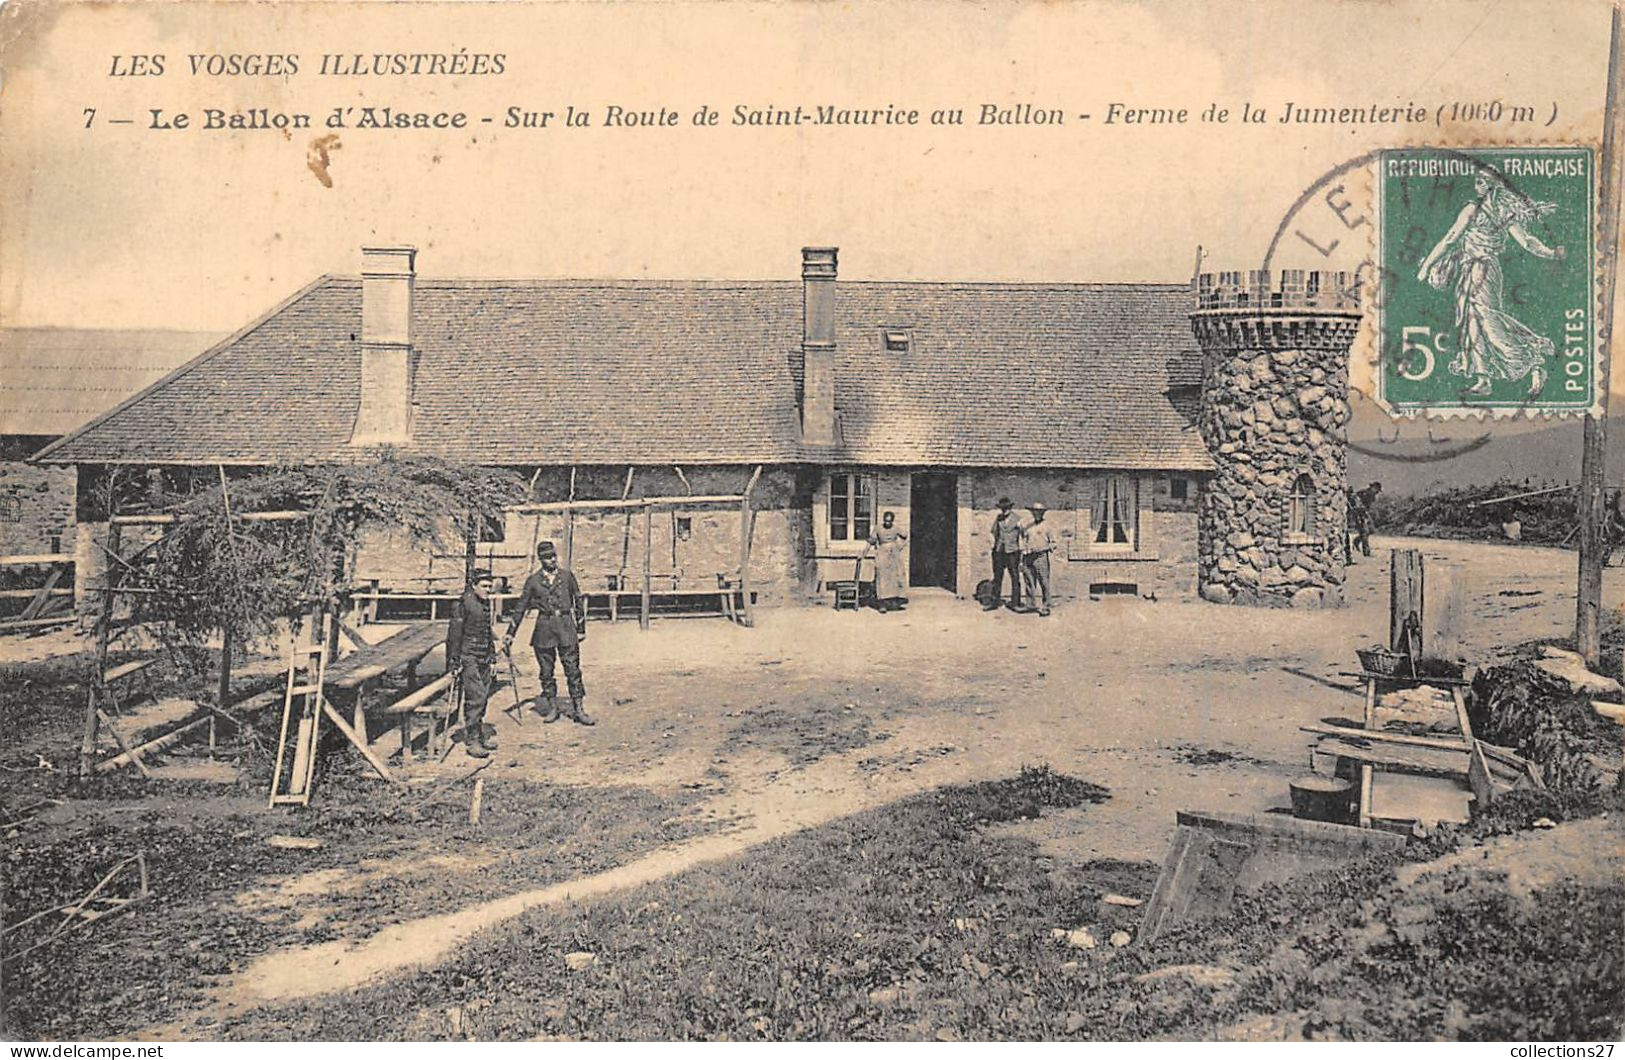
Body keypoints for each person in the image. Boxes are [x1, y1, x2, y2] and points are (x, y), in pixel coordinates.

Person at [1415, 169, 1566, 397]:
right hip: (1475, 269)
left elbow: (1450, 239)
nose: (1476, 186)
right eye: (1476, 181)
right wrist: (1551, 253)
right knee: (1473, 320)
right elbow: (1527, 242)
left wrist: (1427, 266)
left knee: (1487, 320)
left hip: (1482, 271)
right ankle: (1483, 378)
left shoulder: (1475, 210)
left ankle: (1532, 362)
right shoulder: (1496, 210)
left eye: (1480, 182)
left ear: (1490, 186)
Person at [502, 540, 592, 725]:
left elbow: (578, 602)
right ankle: (552, 708)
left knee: (573, 670)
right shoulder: (534, 581)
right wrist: (511, 633)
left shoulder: (567, 577)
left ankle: (579, 709)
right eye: (547, 557)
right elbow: (521, 607)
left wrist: (581, 628)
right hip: (544, 629)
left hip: (566, 627)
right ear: (541, 559)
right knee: (546, 671)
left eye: (553, 556)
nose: (552, 560)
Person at [446, 568, 499, 758]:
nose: (488, 590)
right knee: (476, 697)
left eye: (490, 586)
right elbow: (454, 635)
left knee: (483, 696)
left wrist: (492, 656)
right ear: (473, 585)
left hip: (483, 655)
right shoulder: (463, 604)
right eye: (484, 586)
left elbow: (488, 631)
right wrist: (453, 662)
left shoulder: (484, 602)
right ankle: (472, 741)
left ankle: (478, 734)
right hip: (468, 657)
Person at [864, 511, 908, 613]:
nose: (887, 523)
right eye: (886, 521)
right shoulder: (878, 528)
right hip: (882, 554)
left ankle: (895, 603)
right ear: (883, 520)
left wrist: (900, 546)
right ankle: (882, 604)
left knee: (896, 577)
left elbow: (905, 536)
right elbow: (871, 541)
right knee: (882, 578)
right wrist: (863, 554)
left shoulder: (896, 528)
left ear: (892, 521)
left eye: (889, 521)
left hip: (894, 554)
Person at [987, 497, 1025, 611]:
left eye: (1006, 508)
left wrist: (1021, 550)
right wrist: (995, 545)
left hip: (1013, 551)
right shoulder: (998, 518)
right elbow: (993, 531)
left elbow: (1023, 536)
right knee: (997, 577)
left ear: (1010, 508)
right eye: (1002, 508)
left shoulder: (1018, 519)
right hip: (999, 551)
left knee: (1014, 576)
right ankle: (995, 602)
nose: (1004, 510)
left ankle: (1015, 602)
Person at [1020, 502, 1056, 616]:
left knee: (1044, 581)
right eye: (1034, 512)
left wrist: (1044, 548)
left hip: (1041, 557)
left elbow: (1054, 543)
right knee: (1029, 581)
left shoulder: (1047, 526)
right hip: (1028, 556)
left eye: (1039, 512)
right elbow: (1024, 541)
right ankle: (1030, 604)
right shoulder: (1028, 526)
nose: (1036, 514)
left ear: (1042, 513)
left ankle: (1046, 606)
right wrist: (1023, 552)